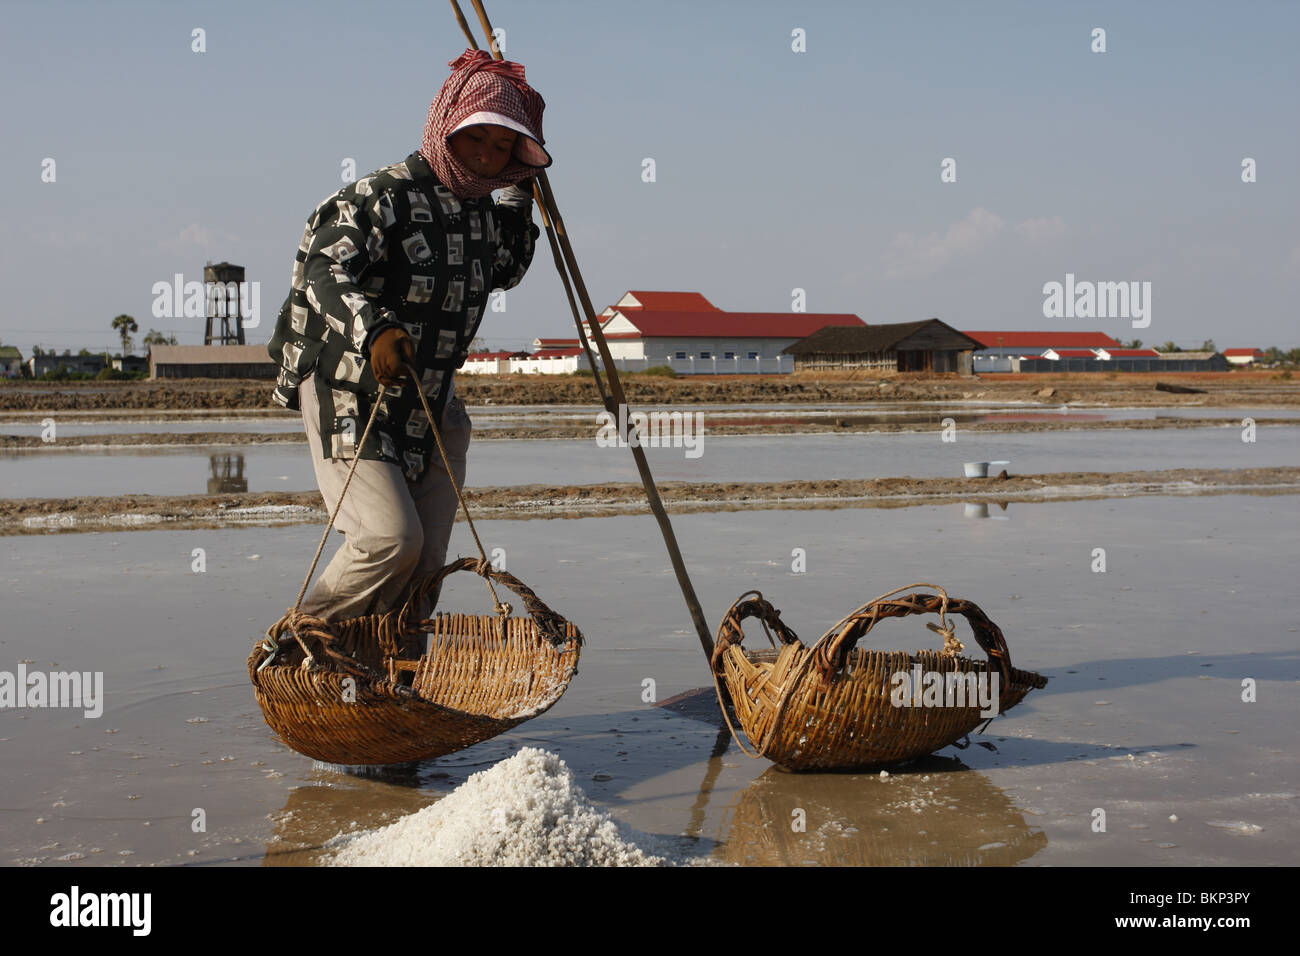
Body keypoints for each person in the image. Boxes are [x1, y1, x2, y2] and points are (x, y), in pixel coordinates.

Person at [267, 49, 550, 624]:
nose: (486, 156)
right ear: (447, 125)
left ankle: (396, 676)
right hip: (352, 394)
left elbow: (507, 268)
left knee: (426, 565)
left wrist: (519, 196)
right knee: (390, 540)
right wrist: (376, 327)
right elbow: (324, 268)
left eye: (502, 149)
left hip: (432, 404)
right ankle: (301, 646)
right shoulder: (378, 196)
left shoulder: (482, 213)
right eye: (478, 139)